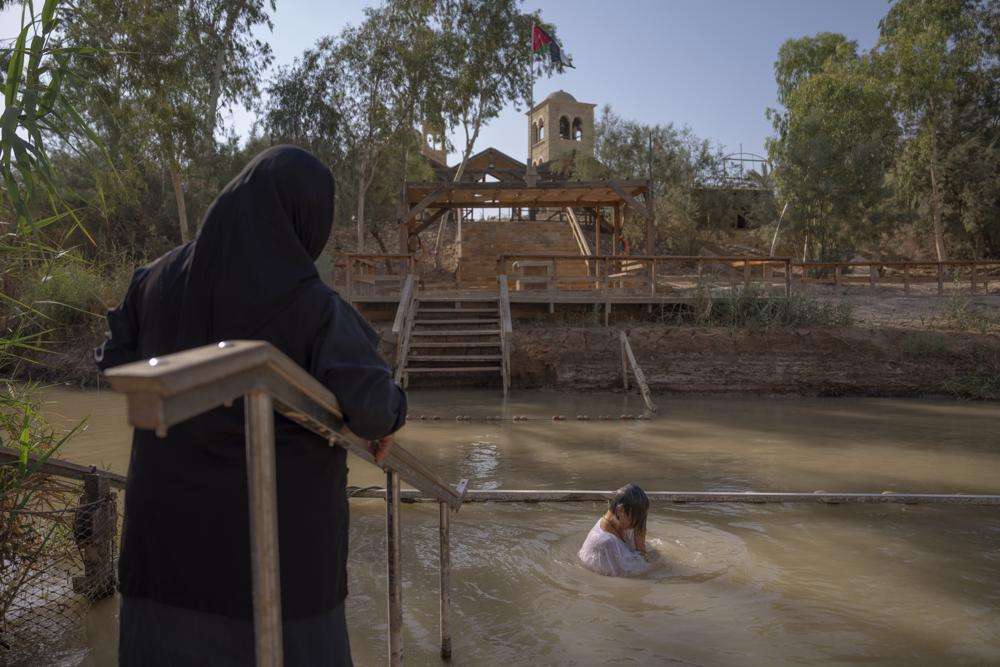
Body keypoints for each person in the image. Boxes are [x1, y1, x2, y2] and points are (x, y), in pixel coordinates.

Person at [95, 146, 406, 666]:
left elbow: (114, 361)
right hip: (282, 582)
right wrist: (394, 412)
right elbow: (374, 409)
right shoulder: (314, 310)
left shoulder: (154, 281)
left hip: (161, 567)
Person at [578, 483, 651, 577]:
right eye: (636, 518)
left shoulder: (618, 523)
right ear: (620, 510)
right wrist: (641, 549)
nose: (637, 525)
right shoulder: (606, 542)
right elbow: (640, 573)